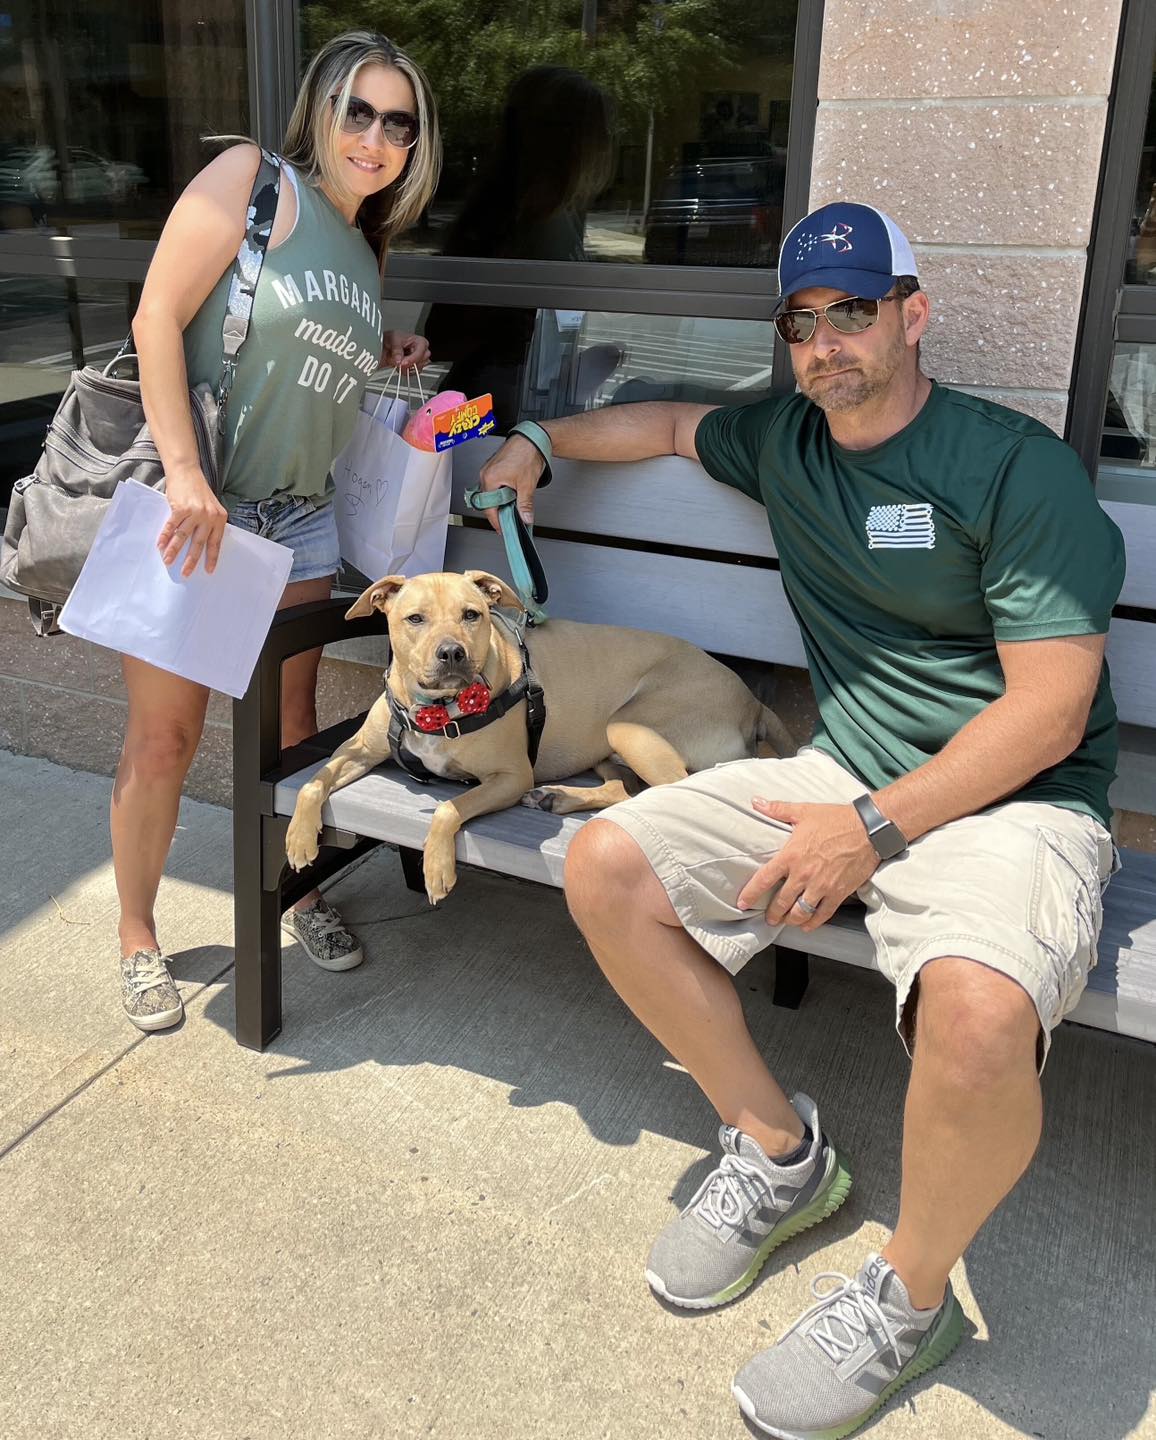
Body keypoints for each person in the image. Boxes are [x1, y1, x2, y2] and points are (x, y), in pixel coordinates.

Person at [477, 201, 1125, 1438]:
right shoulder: (787, 439)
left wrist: (871, 830)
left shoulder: (1007, 464)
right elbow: (667, 421)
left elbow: (1049, 714)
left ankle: (909, 1295)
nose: (827, 342)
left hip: (1012, 804)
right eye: (802, 321)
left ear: (911, 315)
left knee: (980, 1013)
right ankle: (781, 1155)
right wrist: (535, 443)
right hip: (843, 774)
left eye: (854, 312)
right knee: (606, 862)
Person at [116, 31, 441, 1031]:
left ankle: (298, 895)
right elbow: (156, 316)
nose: (376, 137)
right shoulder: (254, 179)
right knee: (167, 737)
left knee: (291, 739)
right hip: (206, 507)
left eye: (399, 122)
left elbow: (296, 346)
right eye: (359, 112)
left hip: (296, 523)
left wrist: (379, 348)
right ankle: (137, 939)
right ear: (321, 111)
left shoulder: (366, 243)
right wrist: (180, 475)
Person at [423, 65, 617, 428]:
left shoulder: (564, 216)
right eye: (598, 130)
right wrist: (507, 325)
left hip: (527, 407)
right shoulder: (500, 221)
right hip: (485, 414)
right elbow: (441, 336)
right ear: (566, 141)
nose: (607, 141)